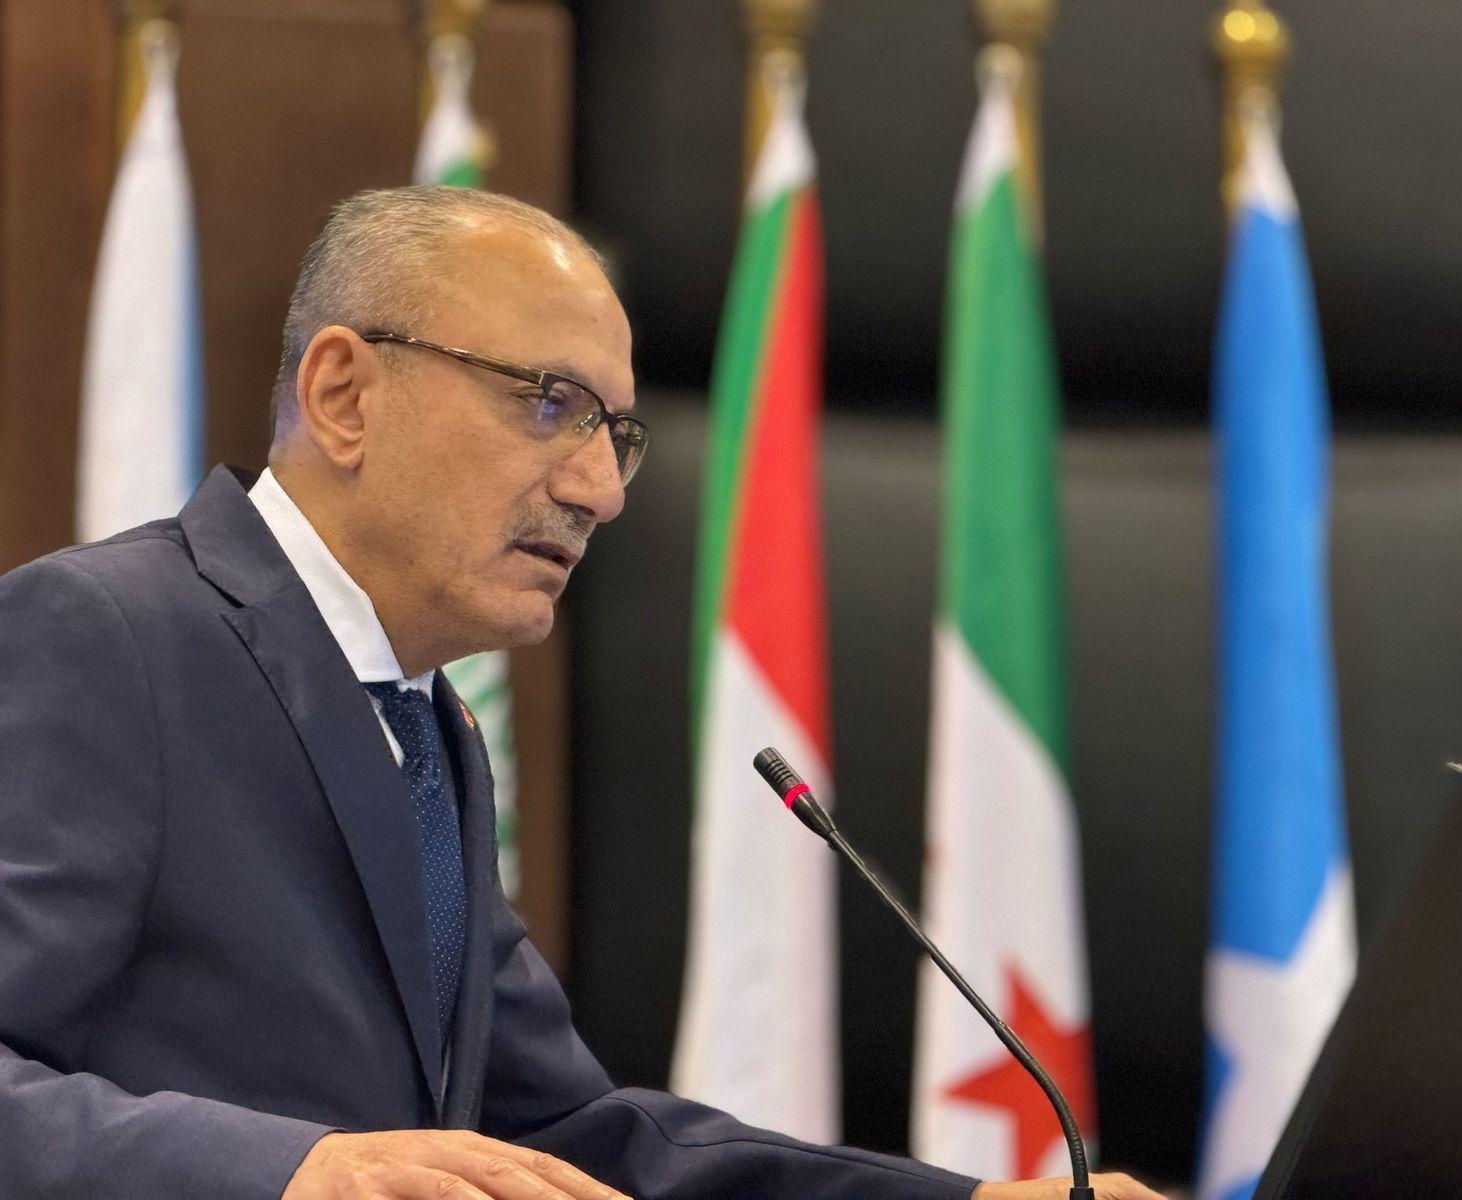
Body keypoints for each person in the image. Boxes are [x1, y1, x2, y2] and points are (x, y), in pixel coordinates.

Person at [0, 186, 1161, 1200]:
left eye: (617, 432)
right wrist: (290, 1173)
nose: (601, 488)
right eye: (549, 403)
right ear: (345, 394)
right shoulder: (110, 636)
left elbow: (565, 1132)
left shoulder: (425, 722)